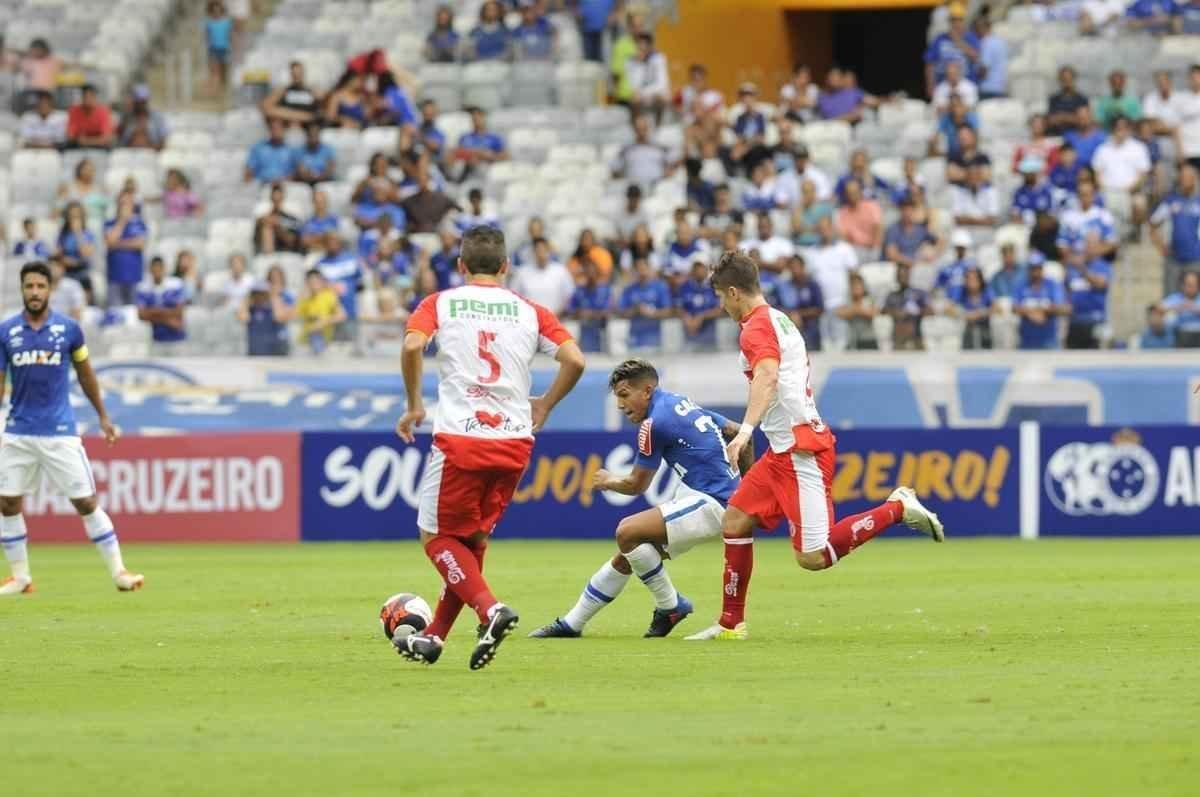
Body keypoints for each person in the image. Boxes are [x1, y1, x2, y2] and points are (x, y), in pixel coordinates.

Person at [685, 252, 943, 640]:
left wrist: (744, 431)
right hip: (782, 447)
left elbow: (768, 375)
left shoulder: (755, 327)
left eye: (722, 297)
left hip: (800, 448)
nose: (721, 306)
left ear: (734, 292)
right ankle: (730, 623)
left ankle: (897, 508)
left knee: (814, 556)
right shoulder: (780, 319)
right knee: (735, 519)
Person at [393, 226, 586, 668]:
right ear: (505, 267)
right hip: (515, 440)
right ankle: (435, 638)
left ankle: (491, 610)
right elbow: (575, 359)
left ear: (460, 266)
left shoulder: (440, 302)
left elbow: (411, 345)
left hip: (462, 437)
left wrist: (414, 405)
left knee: (436, 536)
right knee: (474, 537)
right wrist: (547, 404)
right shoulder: (530, 311)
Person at [531, 359, 753, 639]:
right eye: (617, 397)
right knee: (629, 557)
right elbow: (737, 433)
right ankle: (572, 623)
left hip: (712, 501)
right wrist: (748, 492)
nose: (620, 405)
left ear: (647, 390)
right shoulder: (680, 402)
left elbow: (636, 485)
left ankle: (670, 605)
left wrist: (608, 480)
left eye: (625, 395)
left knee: (627, 532)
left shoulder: (654, 423)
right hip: (705, 495)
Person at [0, 262, 144, 596]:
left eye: (40, 286)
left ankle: (119, 571)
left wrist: (104, 417)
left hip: (59, 432)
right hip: (18, 431)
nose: (34, 292)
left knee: (86, 502)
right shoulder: (7, 332)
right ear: (22, 290)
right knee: (7, 503)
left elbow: (85, 373)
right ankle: (21, 577)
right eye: (29, 287)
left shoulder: (69, 330)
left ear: (50, 289)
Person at [1092, 115, 1150, 226]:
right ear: (1112, 129)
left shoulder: (1139, 148)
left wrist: (1127, 191)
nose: (1121, 131)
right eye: (1118, 128)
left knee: (1140, 204)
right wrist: (1106, 190)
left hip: (1131, 191)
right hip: (1107, 191)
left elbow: (1143, 175)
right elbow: (1097, 174)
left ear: (1129, 129)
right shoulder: (1102, 149)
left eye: (1124, 128)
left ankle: (1134, 236)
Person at [1150, 165, 1200, 293]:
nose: (1183, 181)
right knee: (1170, 296)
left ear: (1195, 179)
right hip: (1174, 259)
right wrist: (1161, 246)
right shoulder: (1171, 201)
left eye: (1187, 178)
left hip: (1196, 258)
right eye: (1182, 178)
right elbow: (1153, 224)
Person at [924, 2, 980, 98]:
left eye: (959, 20)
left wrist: (958, 42)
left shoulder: (971, 38)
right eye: (953, 20)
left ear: (963, 21)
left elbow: (976, 58)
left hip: (965, 86)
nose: (956, 23)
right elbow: (929, 64)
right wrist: (930, 85)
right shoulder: (940, 39)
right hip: (943, 86)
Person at [239, 266, 296, 356]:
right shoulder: (251, 309)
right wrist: (247, 299)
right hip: (256, 351)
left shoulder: (273, 306)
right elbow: (243, 318)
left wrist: (273, 296)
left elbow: (279, 317)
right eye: (256, 294)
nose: (259, 297)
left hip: (275, 350)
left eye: (262, 294)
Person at [1014, 258, 1070, 349]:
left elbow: (1062, 307)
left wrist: (1042, 311)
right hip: (1026, 340)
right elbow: (1015, 307)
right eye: (1033, 268)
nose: (1035, 272)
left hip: (1049, 339)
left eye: (1038, 268)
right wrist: (1030, 314)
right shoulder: (1021, 285)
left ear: (1042, 269)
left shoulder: (1052, 285)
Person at [135, 256, 188, 353]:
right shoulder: (143, 287)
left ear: (164, 268)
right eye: (154, 269)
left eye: (159, 268)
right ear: (150, 270)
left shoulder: (176, 284)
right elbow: (141, 315)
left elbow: (179, 312)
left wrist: (153, 312)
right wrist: (168, 321)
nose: (157, 271)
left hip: (177, 339)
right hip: (156, 339)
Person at [509, 238, 575, 314]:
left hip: (555, 319)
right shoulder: (522, 272)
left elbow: (570, 296)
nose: (541, 253)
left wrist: (558, 313)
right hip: (529, 320)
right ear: (533, 252)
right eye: (538, 250)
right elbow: (513, 296)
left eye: (543, 250)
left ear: (549, 251)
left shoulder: (560, 271)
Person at [104, 191, 147, 307]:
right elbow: (109, 242)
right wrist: (122, 221)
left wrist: (117, 244)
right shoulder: (110, 223)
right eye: (122, 203)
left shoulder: (139, 223)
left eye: (127, 203)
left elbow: (140, 244)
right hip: (114, 277)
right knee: (115, 315)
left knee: (133, 315)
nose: (124, 206)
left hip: (134, 277)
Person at [316, 232, 363, 337]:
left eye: (334, 241)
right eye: (328, 242)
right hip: (329, 316)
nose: (332, 244)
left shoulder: (352, 260)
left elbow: (361, 283)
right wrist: (329, 287)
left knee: (350, 346)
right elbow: (315, 287)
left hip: (350, 311)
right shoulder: (320, 265)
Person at [619, 258, 672, 349]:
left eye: (644, 269)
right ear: (635, 272)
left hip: (654, 336)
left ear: (650, 270)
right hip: (634, 337)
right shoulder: (629, 289)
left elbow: (668, 311)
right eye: (639, 270)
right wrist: (635, 310)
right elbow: (621, 313)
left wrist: (651, 313)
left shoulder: (660, 287)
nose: (642, 273)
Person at [1064, 250, 1112, 349]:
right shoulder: (1072, 269)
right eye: (1087, 244)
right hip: (1075, 322)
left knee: (1096, 358)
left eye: (1092, 244)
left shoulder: (1102, 266)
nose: (1089, 248)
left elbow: (1101, 284)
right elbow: (1067, 289)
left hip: (1096, 321)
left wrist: (1082, 269)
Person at [775, 255, 824, 350]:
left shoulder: (812, 285)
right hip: (788, 325)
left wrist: (799, 315)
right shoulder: (784, 287)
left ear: (803, 267)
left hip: (809, 325)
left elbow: (819, 308)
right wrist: (790, 316)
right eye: (792, 267)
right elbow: (776, 307)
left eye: (797, 267)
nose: (795, 270)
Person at [611, 114, 673, 187]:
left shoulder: (659, 148)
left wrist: (667, 172)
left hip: (656, 186)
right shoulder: (626, 149)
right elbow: (615, 170)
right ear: (634, 130)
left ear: (648, 129)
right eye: (638, 129)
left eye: (644, 128)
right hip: (634, 189)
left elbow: (671, 165)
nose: (641, 132)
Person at [566, 258, 613, 352]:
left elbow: (609, 311)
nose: (591, 274)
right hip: (583, 333)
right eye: (588, 271)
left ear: (597, 272)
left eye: (593, 271)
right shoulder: (579, 291)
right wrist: (579, 313)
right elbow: (569, 311)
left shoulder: (605, 290)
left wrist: (591, 314)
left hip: (601, 333)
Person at [296, 268, 347, 354]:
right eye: (311, 282)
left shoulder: (329, 296)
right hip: (305, 341)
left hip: (324, 342)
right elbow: (293, 315)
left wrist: (323, 322)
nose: (314, 285)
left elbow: (342, 315)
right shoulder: (304, 298)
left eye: (316, 282)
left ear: (321, 282)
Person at [676, 260, 723, 349]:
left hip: (709, 333)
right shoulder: (684, 286)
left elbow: (719, 309)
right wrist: (686, 317)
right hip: (689, 332)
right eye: (697, 268)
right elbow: (679, 307)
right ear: (692, 270)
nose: (700, 271)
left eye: (702, 268)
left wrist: (701, 316)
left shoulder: (713, 286)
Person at [883, 263, 930, 350]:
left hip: (916, 334)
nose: (903, 278)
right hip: (899, 334)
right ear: (896, 277)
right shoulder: (892, 295)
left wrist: (916, 311)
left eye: (905, 275)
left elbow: (929, 310)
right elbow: (884, 310)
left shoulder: (919, 293)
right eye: (900, 275)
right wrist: (896, 312)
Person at [626, 33, 670, 123]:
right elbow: (634, 85)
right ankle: (636, 127)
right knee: (634, 100)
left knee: (661, 98)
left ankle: (659, 127)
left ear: (650, 47)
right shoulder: (631, 62)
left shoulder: (659, 58)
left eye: (644, 47)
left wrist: (646, 94)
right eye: (639, 47)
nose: (642, 50)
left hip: (654, 94)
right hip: (641, 95)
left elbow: (662, 84)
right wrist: (639, 64)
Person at [56, 202, 97, 297]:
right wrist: (64, 259)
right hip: (68, 274)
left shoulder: (87, 234)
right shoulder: (63, 234)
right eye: (72, 216)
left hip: (82, 273)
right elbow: (59, 253)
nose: (74, 219)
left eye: (77, 216)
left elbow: (86, 253)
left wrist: (78, 233)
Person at [261, 61, 322, 126]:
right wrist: (300, 116)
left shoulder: (312, 91)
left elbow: (323, 111)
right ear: (290, 74)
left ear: (303, 73)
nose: (297, 76)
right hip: (289, 123)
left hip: (309, 126)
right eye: (294, 74)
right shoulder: (283, 91)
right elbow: (265, 108)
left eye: (299, 73)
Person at [884, 198, 938, 269]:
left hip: (918, 266)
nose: (907, 214)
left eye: (910, 210)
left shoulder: (920, 228)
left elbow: (939, 240)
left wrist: (933, 253)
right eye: (905, 210)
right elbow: (891, 254)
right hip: (899, 267)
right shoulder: (893, 230)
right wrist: (911, 262)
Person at [950, 266, 993, 349]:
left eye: (974, 279)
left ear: (980, 280)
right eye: (969, 279)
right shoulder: (961, 292)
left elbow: (996, 308)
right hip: (966, 325)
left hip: (984, 325)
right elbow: (949, 308)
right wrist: (964, 315)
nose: (971, 282)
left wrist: (981, 313)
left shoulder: (986, 291)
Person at [836, 178, 884, 251]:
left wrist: (875, 248)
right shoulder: (843, 212)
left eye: (854, 192)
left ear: (860, 192)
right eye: (849, 193)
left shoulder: (872, 206)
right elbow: (843, 235)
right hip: (853, 249)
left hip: (872, 248)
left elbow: (878, 228)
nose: (852, 195)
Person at [835, 272, 879, 350]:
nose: (856, 288)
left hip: (868, 340)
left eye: (858, 285)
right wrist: (857, 310)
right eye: (853, 285)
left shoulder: (869, 300)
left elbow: (872, 314)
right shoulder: (847, 301)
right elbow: (839, 313)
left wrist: (854, 310)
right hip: (852, 340)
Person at [117, 85, 169, 150]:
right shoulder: (126, 118)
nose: (140, 104)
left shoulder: (157, 118)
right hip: (128, 154)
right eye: (138, 101)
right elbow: (120, 138)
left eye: (143, 101)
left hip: (150, 154)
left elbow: (162, 140)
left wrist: (153, 151)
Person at [245, 118, 297, 183]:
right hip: (262, 184)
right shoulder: (258, 148)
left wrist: (282, 180)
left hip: (283, 185)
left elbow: (294, 172)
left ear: (284, 130)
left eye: (279, 129)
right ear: (269, 130)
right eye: (273, 129)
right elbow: (249, 169)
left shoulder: (291, 150)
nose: (276, 132)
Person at [951, 162, 1000, 229]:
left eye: (976, 176)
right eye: (970, 176)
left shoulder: (991, 192)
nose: (973, 178)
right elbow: (957, 219)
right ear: (966, 177)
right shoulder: (958, 192)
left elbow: (992, 219)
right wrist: (981, 220)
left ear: (981, 176)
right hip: (965, 230)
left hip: (986, 230)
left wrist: (969, 220)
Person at [65, 84, 114, 149]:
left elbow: (107, 137)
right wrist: (79, 139)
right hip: (78, 147)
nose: (87, 99)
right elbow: (70, 135)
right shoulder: (74, 110)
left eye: (90, 96)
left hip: (100, 148)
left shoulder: (103, 111)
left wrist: (88, 141)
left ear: (95, 97)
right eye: (85, 96)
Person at [1158, 270, 1200, 347]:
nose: (1191, 288)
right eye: (1188, 285)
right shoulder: (1176, 298)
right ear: (1182, 285)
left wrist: (1195, 308)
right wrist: (1177, 307)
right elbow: (1158, 309)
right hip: (1180, 335)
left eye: (1194, 285)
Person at [1047, 66, 1089, 136]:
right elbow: (1050, 120)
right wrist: (1071, 117)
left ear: (1073, 79)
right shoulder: (1054, 99)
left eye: (1069, 79)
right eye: (1064, 79)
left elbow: (1084, 121)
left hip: (1076, 137)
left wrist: (1063, 117)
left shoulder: (1081, 99)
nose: (1066, 81)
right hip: (1056, 135)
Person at [1011, 156, 1055, 225]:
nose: (1027, 176)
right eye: (1025, 174)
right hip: (1022, 228)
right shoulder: (1019, 192)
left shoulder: (1046, 192)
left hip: (1041, 229)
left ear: (1037, 173)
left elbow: (1050, 215)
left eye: (1030, 174)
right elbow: (1015, 214)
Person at [974, 16, 1009, 100]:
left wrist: (974, 76)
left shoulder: (986, 42)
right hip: (1001, 87)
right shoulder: (1001, 42)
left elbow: (984, 69)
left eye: (977, 29)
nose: (976, 32)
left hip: (987, 89)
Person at [205, 1, 233, 96]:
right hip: (213, 49)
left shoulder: (227, 22)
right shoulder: (208, 22)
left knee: (223, 73)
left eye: (218, 10)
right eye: (214, 10)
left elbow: (230, 36)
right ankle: (213, 91)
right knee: (214, 71)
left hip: (224, 49)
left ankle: (219, 91)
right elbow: (207, 37)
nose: (216, 12)